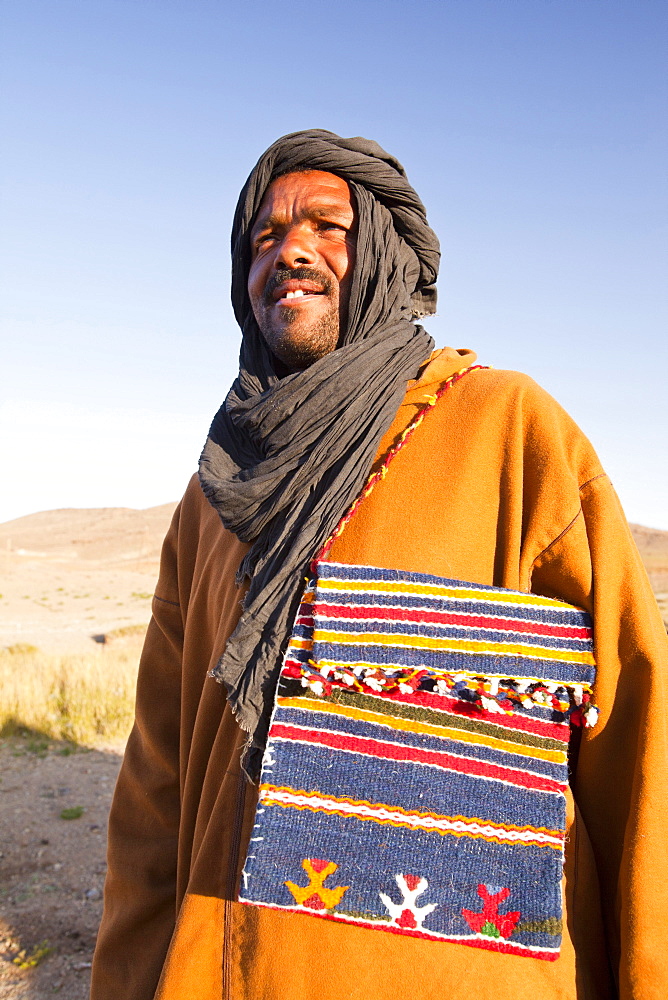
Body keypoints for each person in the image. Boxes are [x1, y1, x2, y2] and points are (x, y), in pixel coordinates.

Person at [90, 131, 668, 1000]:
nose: (288, 251)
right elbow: (155, 791)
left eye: (328, 226)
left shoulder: (507, 433)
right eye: (263, 237)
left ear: (387, 257)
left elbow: (635, 740)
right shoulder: (213, 500)